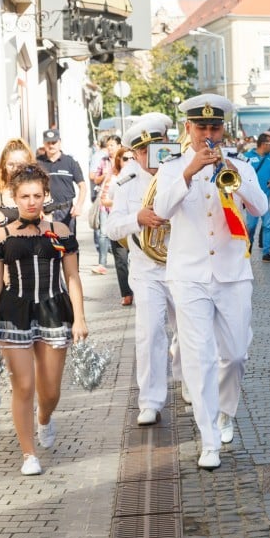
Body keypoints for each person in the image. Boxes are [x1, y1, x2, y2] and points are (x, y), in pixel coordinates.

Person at [153, 94, 268, 470]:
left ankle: (225, 412)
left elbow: (261, 209)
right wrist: (189, 172)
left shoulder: (240, 165)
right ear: (188, 128)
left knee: (234, 354)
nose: (208, 134)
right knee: (200, 357)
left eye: (214, 127)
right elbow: (160, 210)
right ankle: (208, 438)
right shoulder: (171, 168)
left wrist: (232, 174)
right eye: (200, 127)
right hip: (189, 276)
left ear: (223, 129)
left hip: (233, 273)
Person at [0, 165, 88, 475]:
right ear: (14, 197)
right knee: (23, 386)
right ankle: (28, 455)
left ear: (45, 196)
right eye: (25, 196)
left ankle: (44, 418)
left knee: (50, 391)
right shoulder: (3, 234)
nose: (31, 202)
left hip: (53, 309)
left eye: (37, 195)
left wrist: (79, 318)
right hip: (13, 311)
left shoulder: (60, 232)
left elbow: (73, 277)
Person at [104, 115, 179, 426]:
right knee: (149, 335)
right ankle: (150, 401)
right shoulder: (126, 181)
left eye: (159, 145)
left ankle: (189, 383)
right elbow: (111, 228)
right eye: (145, 150)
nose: (153, 155)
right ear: (135, 153)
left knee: (190, 332)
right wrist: (139, 217)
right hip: (147, 268)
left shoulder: (179, 171)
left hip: (182, 264)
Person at [99, 147, 135, 306]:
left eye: (132, 158)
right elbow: (104, 199)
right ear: (119, 161)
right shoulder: (113, 178)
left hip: (136, 223)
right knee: (121, 260)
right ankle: (126, 293)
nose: (129, 161)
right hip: (119, 222)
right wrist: (121, 202)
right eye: (125, 159)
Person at [36, 129, 88, 232]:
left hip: (66, 211)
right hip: (45, 212)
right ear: (44, 144)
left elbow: (82, 186)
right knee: (47, 246)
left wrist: (79, 206)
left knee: (69, 245)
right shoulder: (38, 163)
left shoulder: (70, 162)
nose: (51, 145)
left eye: (54, 142)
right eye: (48, 143)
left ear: (59, 142)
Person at [242, 132, 270, 263]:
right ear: (264, 144)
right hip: (252, 199)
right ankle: (248, 247)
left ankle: (266, 254)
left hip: (268, 197)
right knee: (251, 227)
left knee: (268, 225)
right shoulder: (247, 157)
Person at [90, 135, 122, 274]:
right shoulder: (103, 161)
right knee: (103, 233)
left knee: (120, 233)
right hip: (104, 202)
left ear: (119, 146)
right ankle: (102, 263)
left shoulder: (124, 159)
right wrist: (106, 174)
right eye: (108, 145)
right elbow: (95, 179)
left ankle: (123, 261)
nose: (109, 148)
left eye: (112, 145)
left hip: (119, 203)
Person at [0, 139, 36, 225]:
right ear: (4, 164)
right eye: (11, 164)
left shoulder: (37, 188)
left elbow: (48, 224)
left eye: (20, 165)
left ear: (28, 164)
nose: (15, 169)